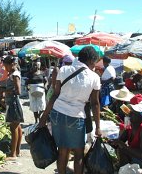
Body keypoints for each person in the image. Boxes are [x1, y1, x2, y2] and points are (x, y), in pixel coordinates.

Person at [39, 46, 101, 174]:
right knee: (78, 153)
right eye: (94, 62)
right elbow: (95, 103)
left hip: (58, 114)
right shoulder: (94, 77)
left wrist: (44, 117)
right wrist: (98, 127)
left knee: (62, 151)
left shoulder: (64, 70)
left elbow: (55, 95)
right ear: (90, 61)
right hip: (76, 117)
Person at [108, 103, 142, 169]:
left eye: (133, 113)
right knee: (121, 149)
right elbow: (119, 142)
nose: (130, 114)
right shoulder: (130, 127)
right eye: (130, 112)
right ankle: (124, 169)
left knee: (123, 149)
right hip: (133, 157)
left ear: (140, 117)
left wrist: (123, 146)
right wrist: (112, 142)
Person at [3, 55, 23, 159]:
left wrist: (4, 91)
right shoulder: (13, 73)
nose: (5, 68)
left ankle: (13, 153)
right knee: (18, 127)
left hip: (13, 103)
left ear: (11, 64)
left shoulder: (15, 74)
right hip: (12, 102)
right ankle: (17, 151)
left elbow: (18, 91)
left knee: (13, 127)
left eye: (6, 66)